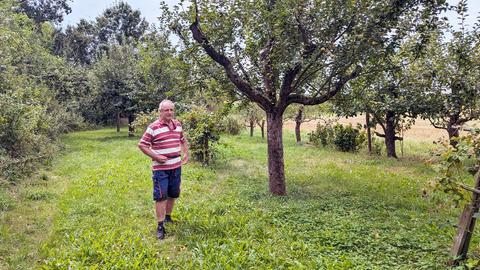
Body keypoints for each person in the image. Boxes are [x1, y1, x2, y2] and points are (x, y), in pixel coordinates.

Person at [138, 99, 189, 240]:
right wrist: (156, 156)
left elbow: (182, 139)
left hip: (176, 166)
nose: (169, 112)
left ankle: (168, 217)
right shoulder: (153, 127)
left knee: (173, 193)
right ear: (160, 111)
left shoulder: (177, 124)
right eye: (166, 110)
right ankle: (160, 226)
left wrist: (186, 153)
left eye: (171, 109)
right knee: (161, 196)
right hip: (161, 169)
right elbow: (142, 145)